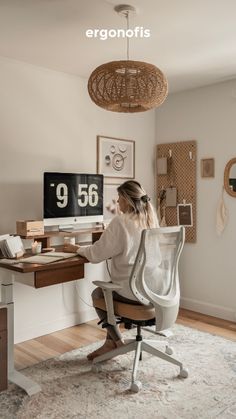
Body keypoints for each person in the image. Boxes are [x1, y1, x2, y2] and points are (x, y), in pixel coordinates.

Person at [63, 180, 159, 360]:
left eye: (119, 198)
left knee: (99, 294)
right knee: (109, 290)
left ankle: (116, 341)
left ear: (126, 199)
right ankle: (110, 343)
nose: (117, 202)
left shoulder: (120, 222)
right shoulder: (150, 220)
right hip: (155, 291)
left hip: (134, 293)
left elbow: (96, 254)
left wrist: (74, 248)